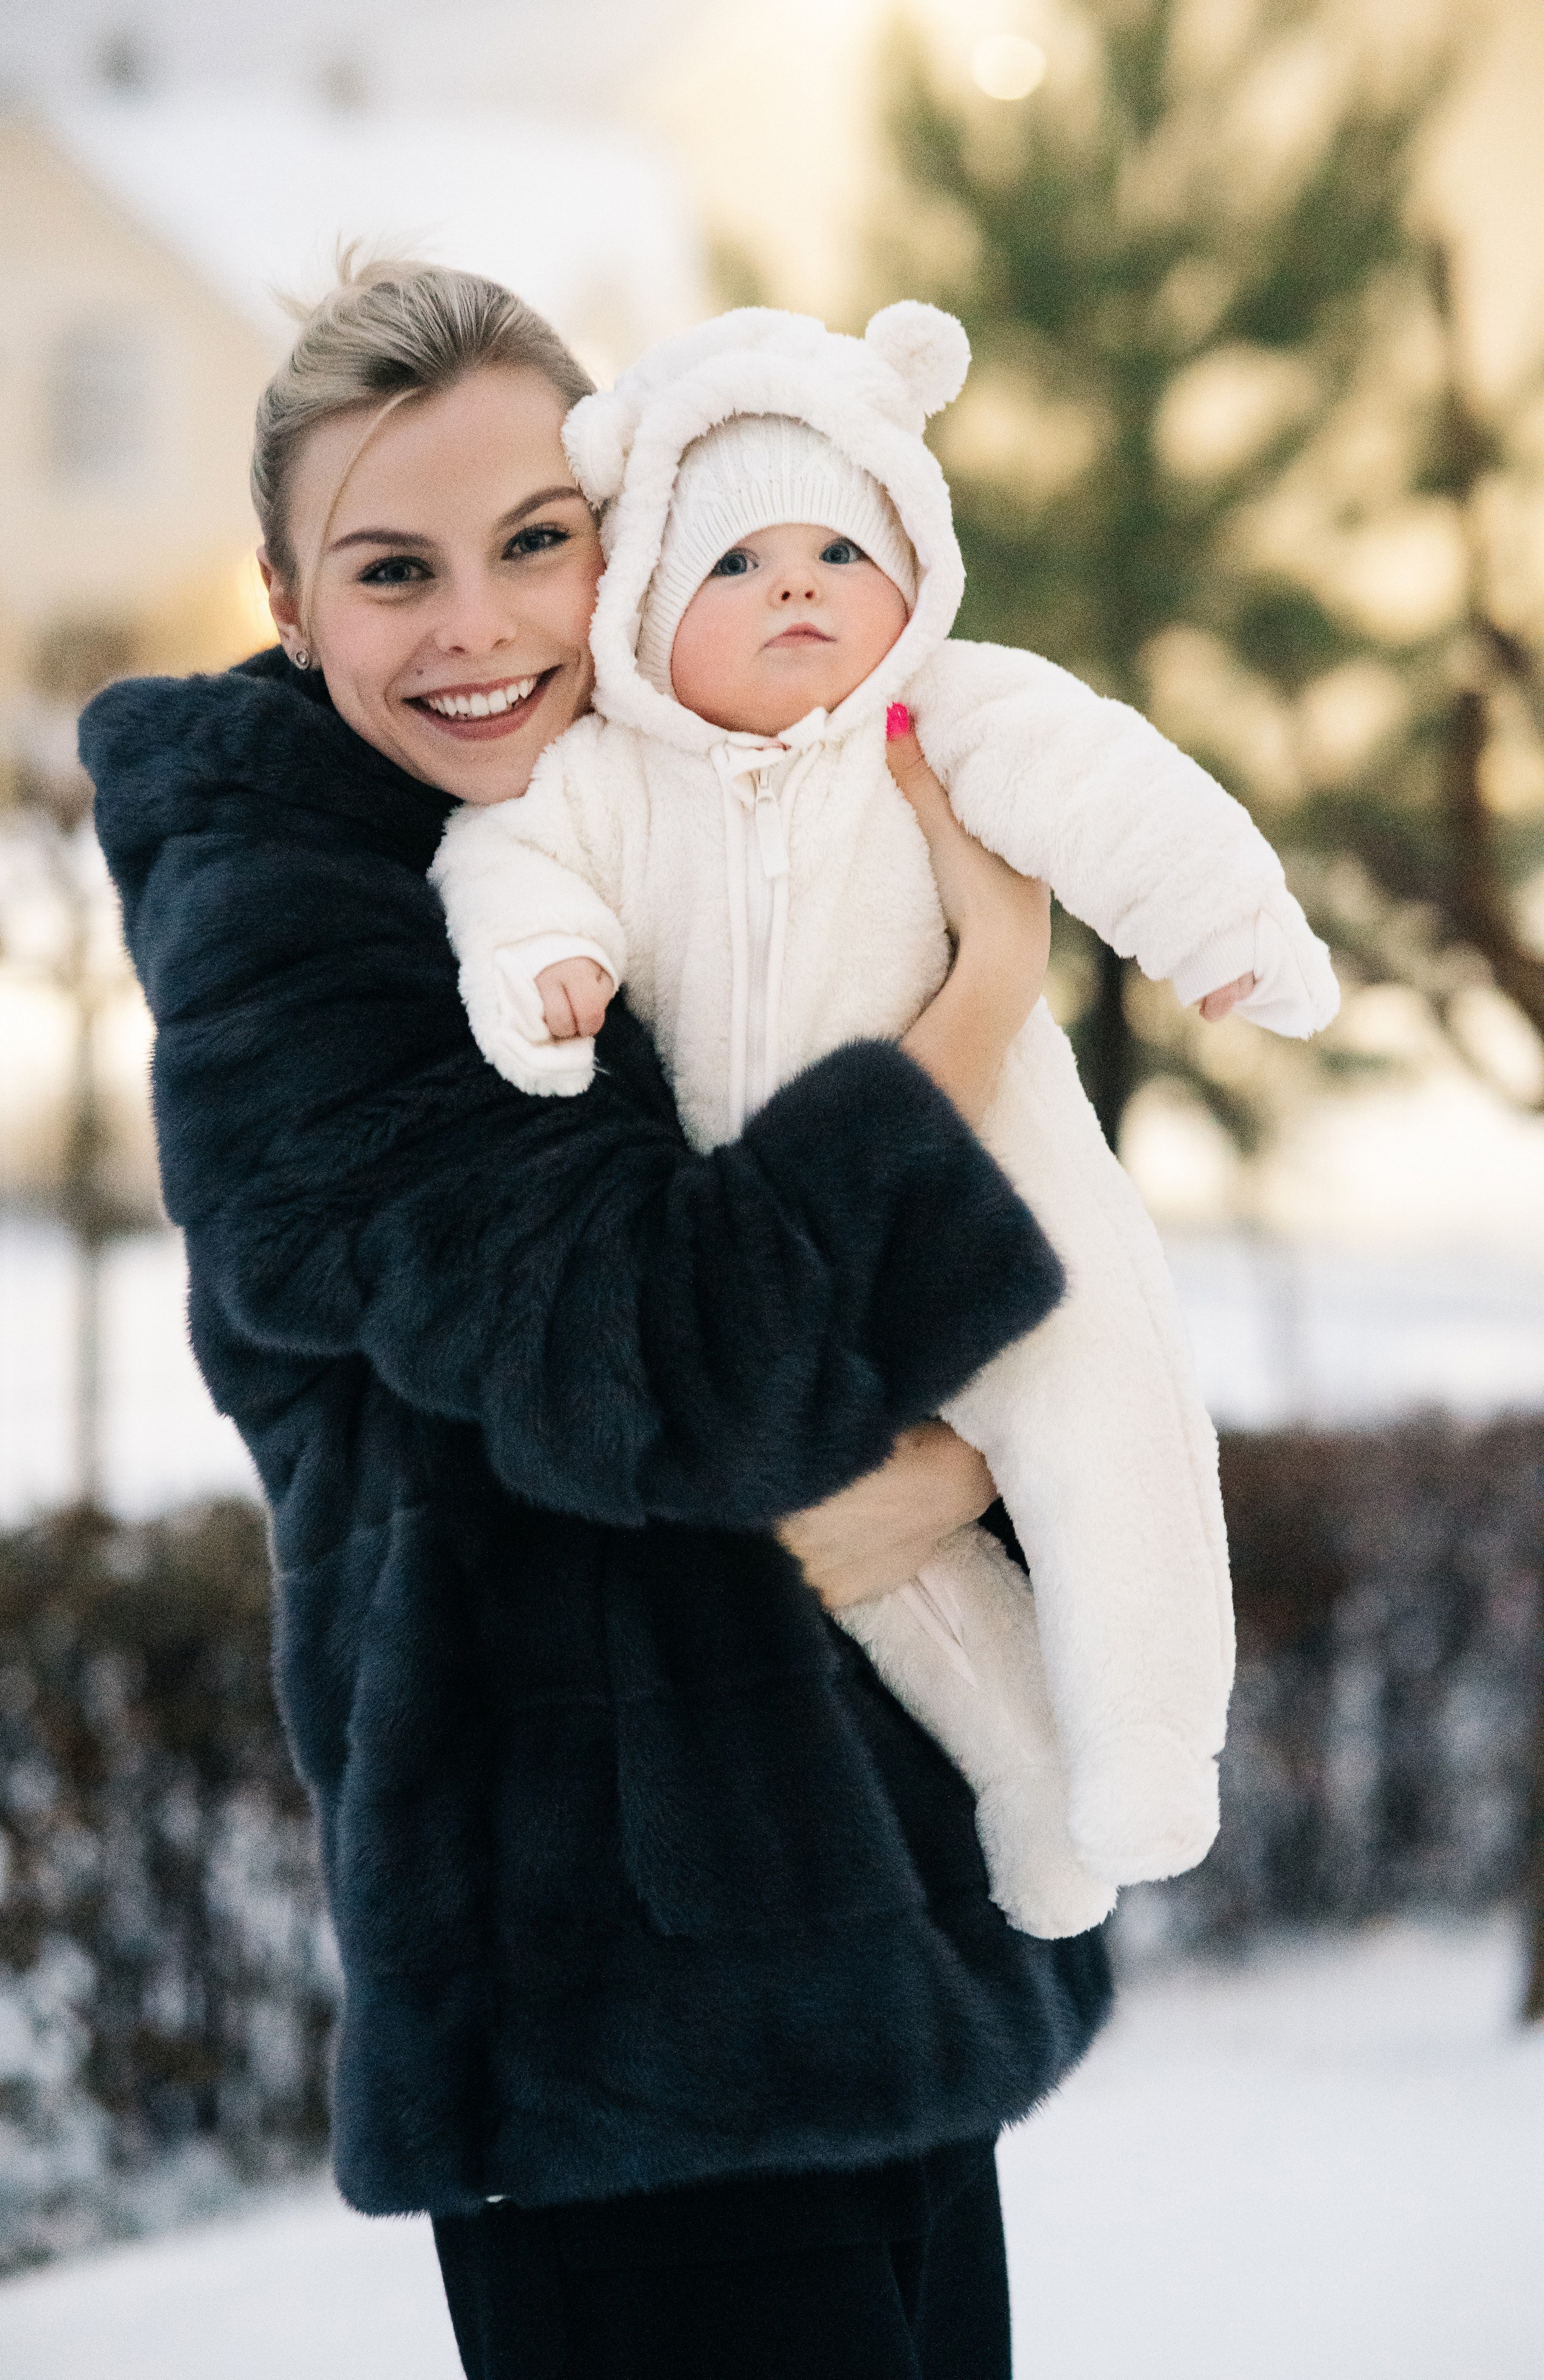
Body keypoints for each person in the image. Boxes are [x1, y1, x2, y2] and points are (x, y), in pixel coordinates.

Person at [81, 257, 1111, 2380]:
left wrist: (965, 1464)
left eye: (533, 542)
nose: (475, 627)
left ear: (618, 541)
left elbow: (961, 1338)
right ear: (290, 604)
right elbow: (691, 1363)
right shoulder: (298, 947)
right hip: (611, 2039)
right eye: (393, 569)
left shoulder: (672, 821)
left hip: (866, 1944)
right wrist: (985, 993)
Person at [429, 302, 1340, 1941]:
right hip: (780, 1240)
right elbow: (505, 863)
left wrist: (1223, 928)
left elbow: (1116, 791)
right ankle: (1033, 1780)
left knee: (1103, 1409)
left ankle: (1147, 1744)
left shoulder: (956, 714)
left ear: (914, 570)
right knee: (893, 1556)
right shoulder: (613, 779)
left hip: (1001, 1184)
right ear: (643, 613)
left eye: (842, 552)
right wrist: (544, 964)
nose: (797, 587)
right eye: (736, 563)